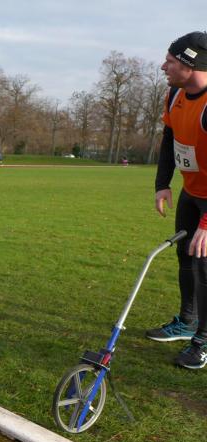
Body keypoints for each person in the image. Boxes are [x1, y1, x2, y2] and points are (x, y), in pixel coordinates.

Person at [146, 31, 207, 370]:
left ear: (190, 64)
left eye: (170, 61)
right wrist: (162, 184)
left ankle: (203, 340)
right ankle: (187, 322)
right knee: (185, 257)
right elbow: (170, 136)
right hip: (192, 193)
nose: (163, 66)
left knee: (205, 265)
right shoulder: (174, 95)